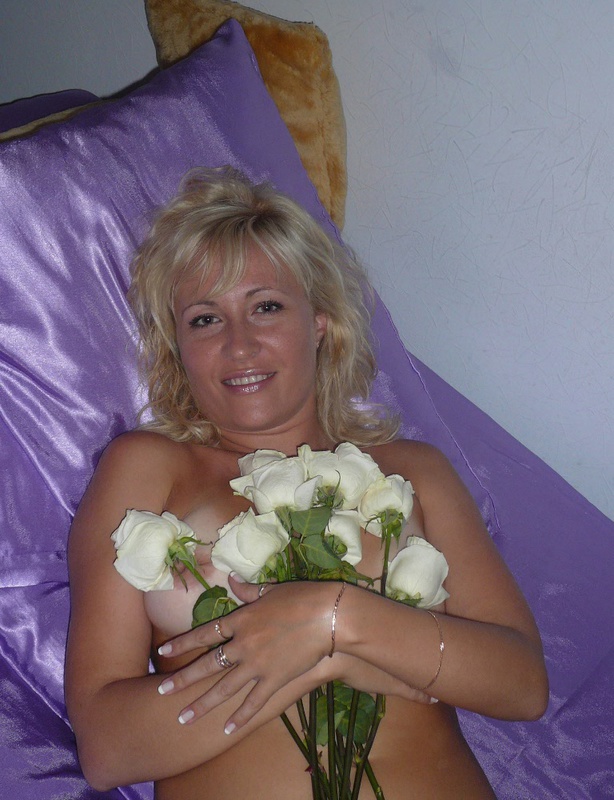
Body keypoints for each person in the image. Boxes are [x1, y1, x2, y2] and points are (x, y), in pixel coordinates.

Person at [65, 166, 548, 799]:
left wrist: (336, 617)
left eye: (265, 307)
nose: (240, 345)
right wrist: (320, 653)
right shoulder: (146, 469)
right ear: (177, 345)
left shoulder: (414, 469)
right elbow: (107, 749)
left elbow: (522, 684)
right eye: (205, 320)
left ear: (319, 320)